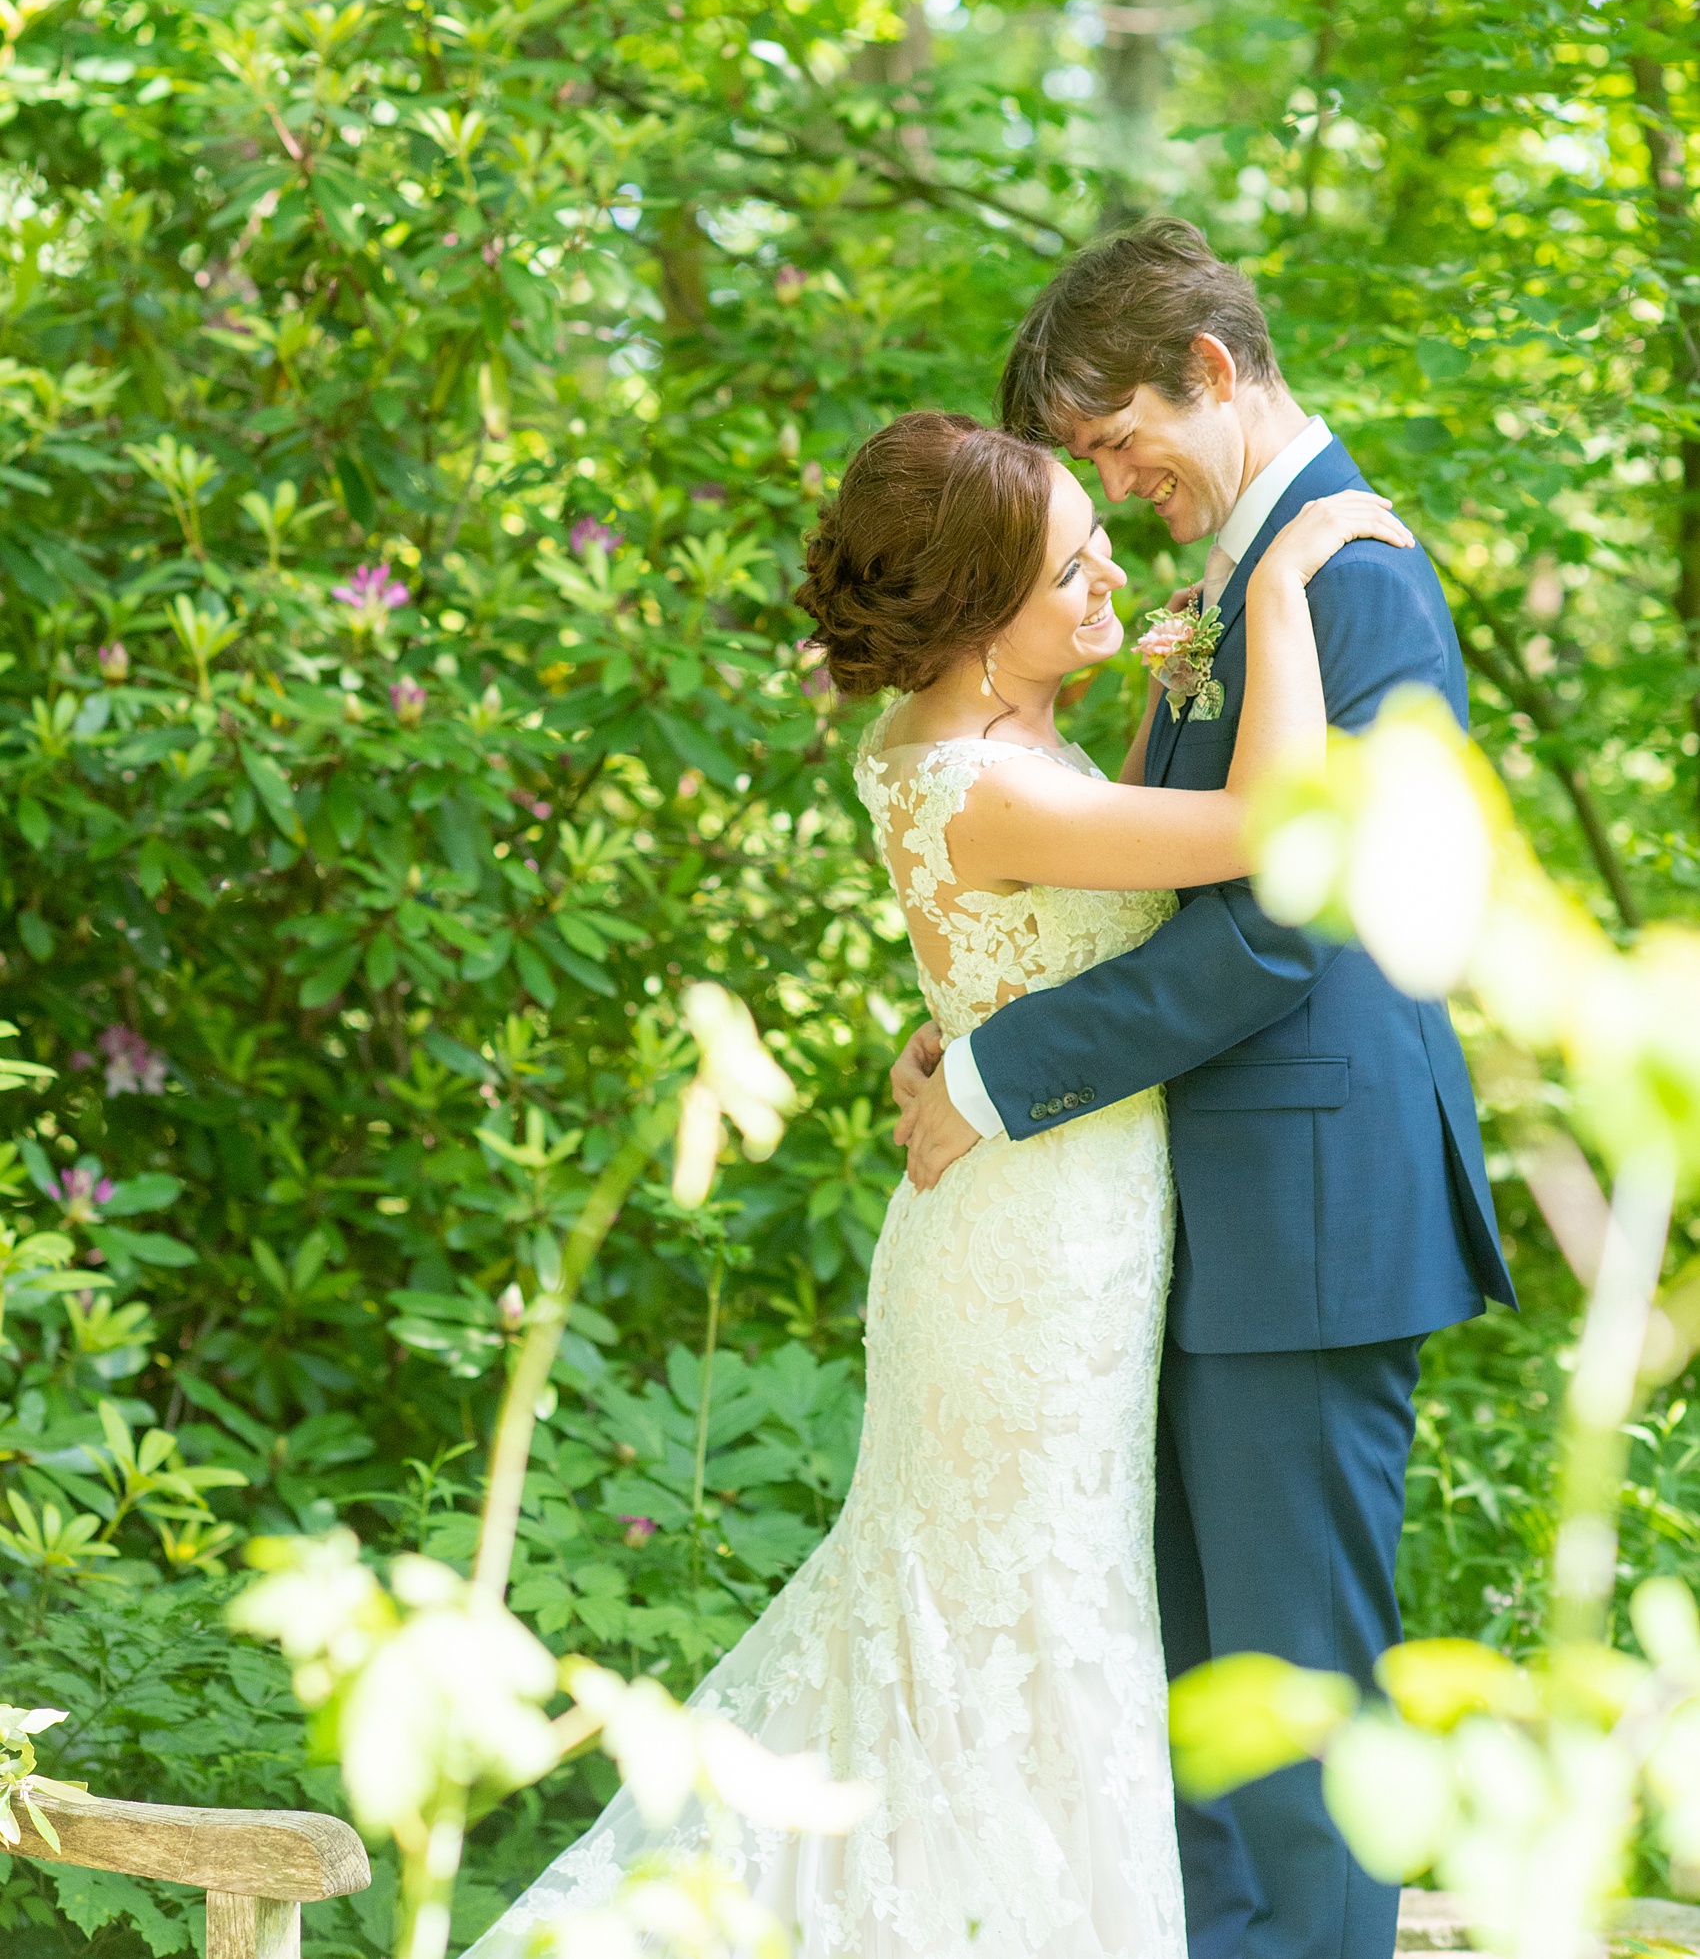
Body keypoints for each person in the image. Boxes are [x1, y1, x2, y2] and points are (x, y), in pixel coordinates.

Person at [465, 393, 1413, 1959]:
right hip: (1030, 1263)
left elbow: (1038, 928)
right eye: (1074, 573)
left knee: (1019, 1615)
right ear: (979, 622)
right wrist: (1278, 588)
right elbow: (1267, 823)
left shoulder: (988, 738)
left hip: (1053, 1221)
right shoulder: (983, 774)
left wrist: (961, 1031)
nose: (1115, 586)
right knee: (1010, 1619)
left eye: (1108, 549)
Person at [891, 218, 1516, 1959]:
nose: (1112, 478)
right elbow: (1145, 891)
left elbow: (1279, 929)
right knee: (1193, 1702)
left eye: (1113, 440)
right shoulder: (1237, 587)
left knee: (1298, 1702)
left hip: (1311, 1218)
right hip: (1192, 1227)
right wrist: (974, 1014)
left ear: (1215, 374)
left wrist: (1009, 1069)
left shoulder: (1355, 580)